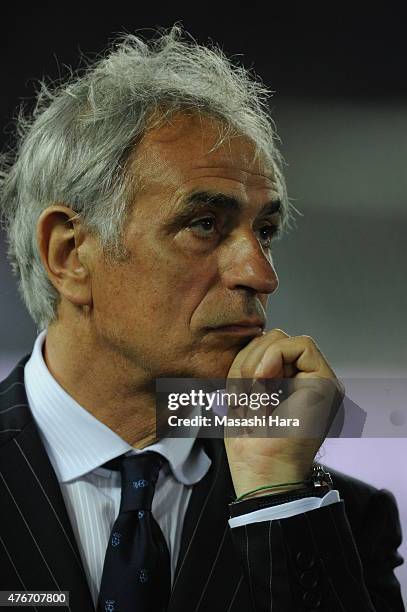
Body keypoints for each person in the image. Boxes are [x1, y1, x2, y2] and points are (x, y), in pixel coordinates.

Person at [0, 27, 404, 612]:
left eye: (264, 232)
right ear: (69, 255)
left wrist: (276, 500)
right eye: (204, 225)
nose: (261, 275)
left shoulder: (336, 518)